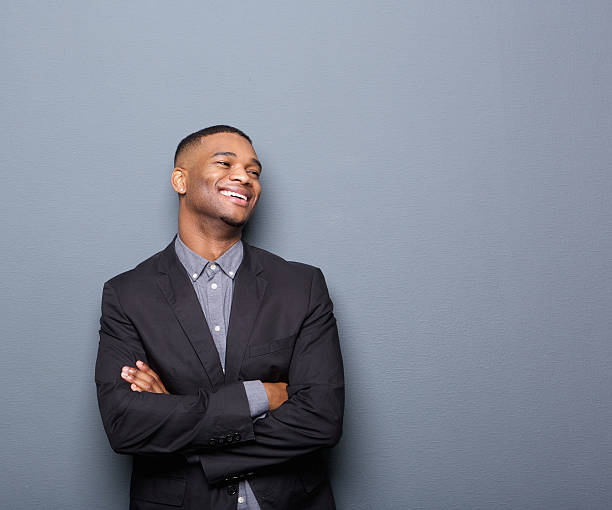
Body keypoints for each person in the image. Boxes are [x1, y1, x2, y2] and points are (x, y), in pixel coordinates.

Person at [95, 125, 345, 510]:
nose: (244, 176)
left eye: (254, 171)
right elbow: (126, 426)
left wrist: (182, 425)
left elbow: (321, 419)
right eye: (225, 163)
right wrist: (261, 395)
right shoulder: (127, 294)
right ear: (181, 179)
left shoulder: (302, 285)